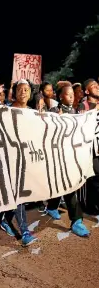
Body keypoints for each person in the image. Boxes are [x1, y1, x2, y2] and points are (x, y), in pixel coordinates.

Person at [0, 79, 38, 246]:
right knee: (18, 193)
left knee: (20, 194)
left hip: (26, 158)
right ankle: (24, 231)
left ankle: (4, 218)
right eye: (20, 89)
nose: (23, 92)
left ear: (30, 93)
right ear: (14, 92)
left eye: (26, 90)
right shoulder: (5, 110)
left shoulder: (33, 112)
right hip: (10, 158)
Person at [46, 84, 90, 237]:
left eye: (72, 94)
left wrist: (83, 118)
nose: (71, 96)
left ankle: (51, 207)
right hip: (57, 156)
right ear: (60, 96)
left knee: (63, 184)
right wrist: (54, 120)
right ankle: (76, 220)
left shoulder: (77, 112)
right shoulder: (52, 112)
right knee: (67, 185)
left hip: (71, 156)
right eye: (67, 94)